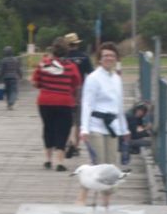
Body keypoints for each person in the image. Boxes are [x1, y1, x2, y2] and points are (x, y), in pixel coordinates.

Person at [32, 37, 82, 172]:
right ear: (66, 51)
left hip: (45, 102)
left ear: (53, 50)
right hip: (64, 102)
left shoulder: (44, 64)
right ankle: (59, 162)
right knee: (63, 130)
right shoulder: (71, 67)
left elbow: (35, 82)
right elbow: (76, 84)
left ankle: (48, 160)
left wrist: (46, 85)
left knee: (48, 128)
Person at [79, 41, 129, 169]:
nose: (109, 58)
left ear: (116, 58)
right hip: (96, 126)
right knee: (99, 166)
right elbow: (87, 104)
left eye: (112, 55)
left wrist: (124, 129)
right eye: (105, 55)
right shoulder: (93, 78)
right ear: (100, 59)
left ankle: (108, 190)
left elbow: (119, 105)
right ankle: (97, 188)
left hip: (112, 126)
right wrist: (84, 128)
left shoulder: (117, 79)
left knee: (112, 166)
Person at [63, 32, 94, 158]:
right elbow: (91, 74)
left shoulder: (62, 58)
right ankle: (76, 145)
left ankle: (67, 142)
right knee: (78, 122)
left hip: (64, 90)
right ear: (77, 44)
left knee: (66, 121)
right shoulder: (84, 57)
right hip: (80, 91)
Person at [0, 46, 22, 110]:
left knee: (7, 91)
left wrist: (0, 76)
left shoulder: (3, 60)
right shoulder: (16, 60)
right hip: (14, 78)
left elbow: (2, 70)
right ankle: (11, 103)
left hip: (6, 78)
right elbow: (18, 69)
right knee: (13, 91)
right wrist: (20, 75)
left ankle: (9, 103)